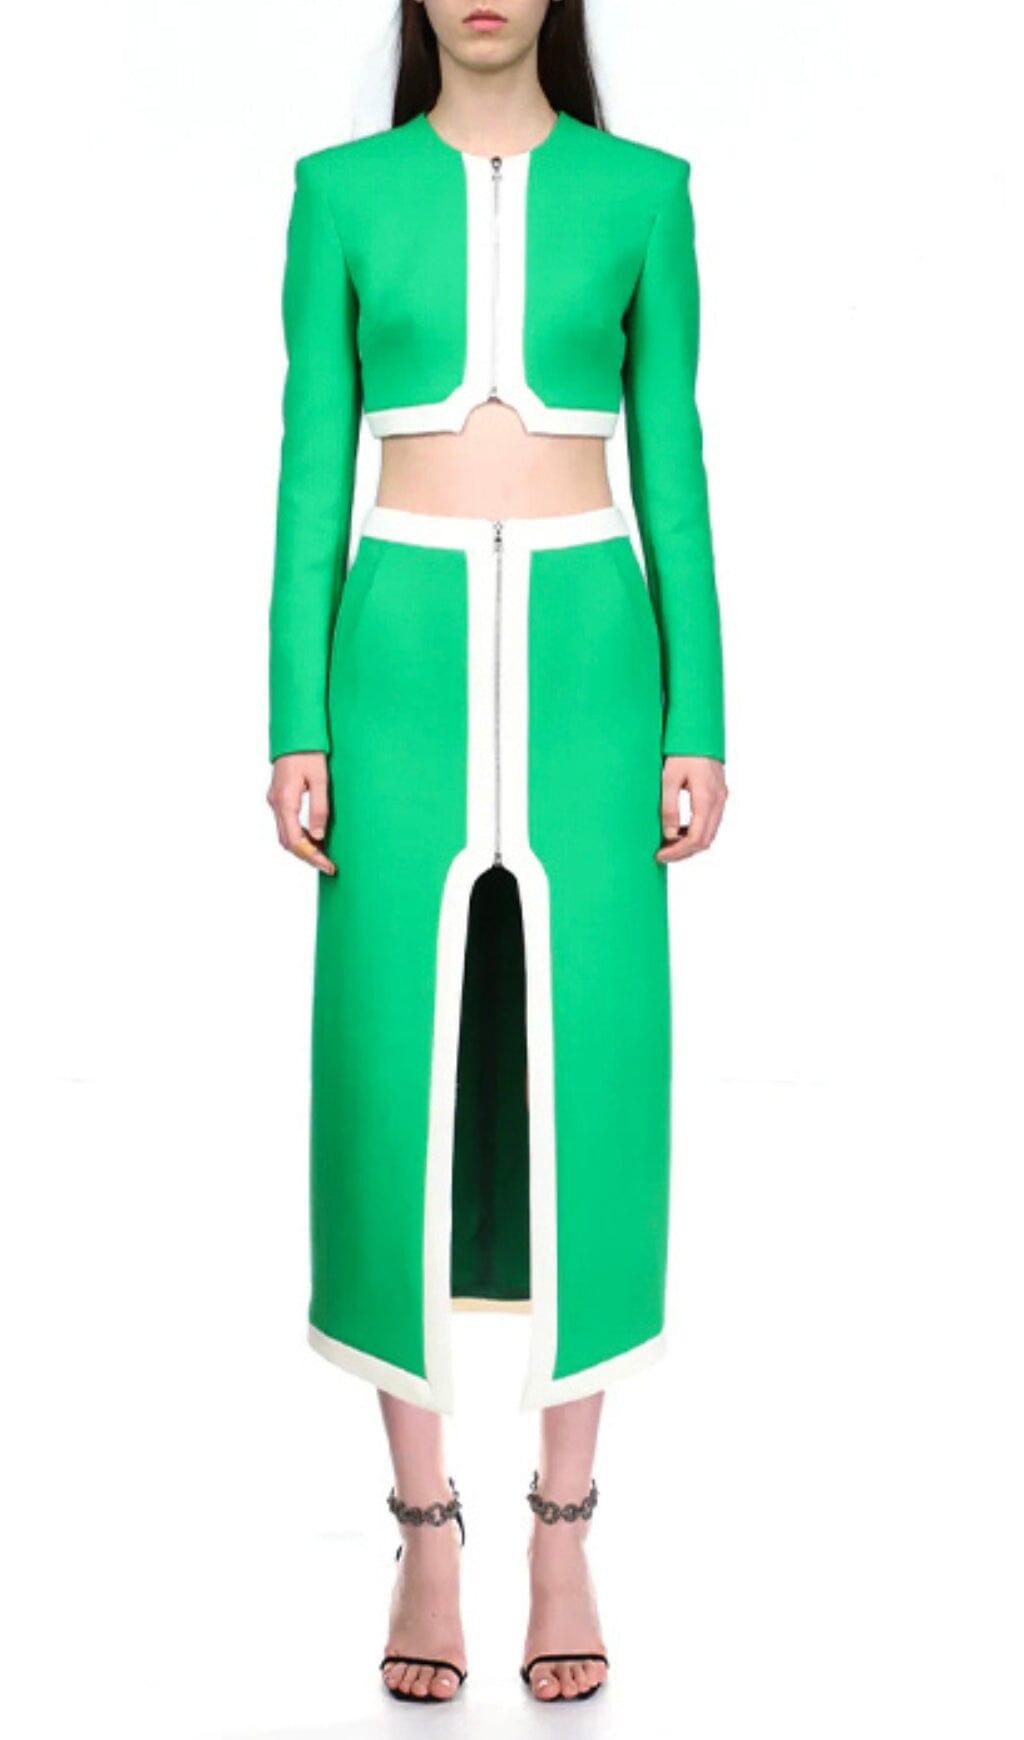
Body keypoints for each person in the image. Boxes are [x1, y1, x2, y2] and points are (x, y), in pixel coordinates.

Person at [265, 0, 728, 1705]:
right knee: (390, 1079)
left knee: (589, 1079)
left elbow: (673, 460)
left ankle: (563, 1527)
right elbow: (312, 465)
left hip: (596, 670)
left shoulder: (643, 192)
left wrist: (698, 715)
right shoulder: (338, 193)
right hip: (393, 672)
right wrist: (295, 718)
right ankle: (425, 1532)